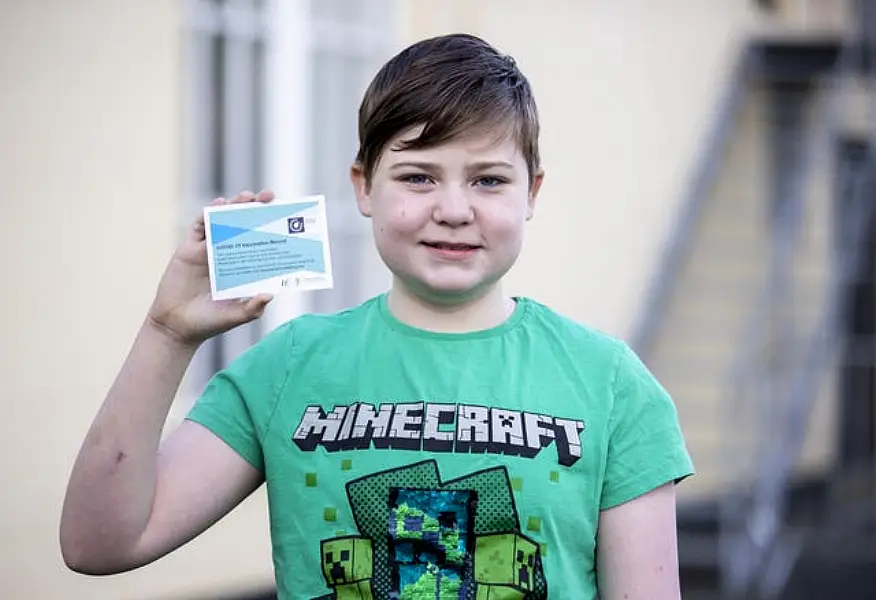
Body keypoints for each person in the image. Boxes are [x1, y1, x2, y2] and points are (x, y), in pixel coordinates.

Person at [60, 33, 694, 600]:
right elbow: (99, 545)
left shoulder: (611, 384)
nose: (452, 209)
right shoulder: (290, 367)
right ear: (363, 187)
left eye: (489, 180)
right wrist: (167, 334)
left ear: (532, 192)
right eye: (418, 177)